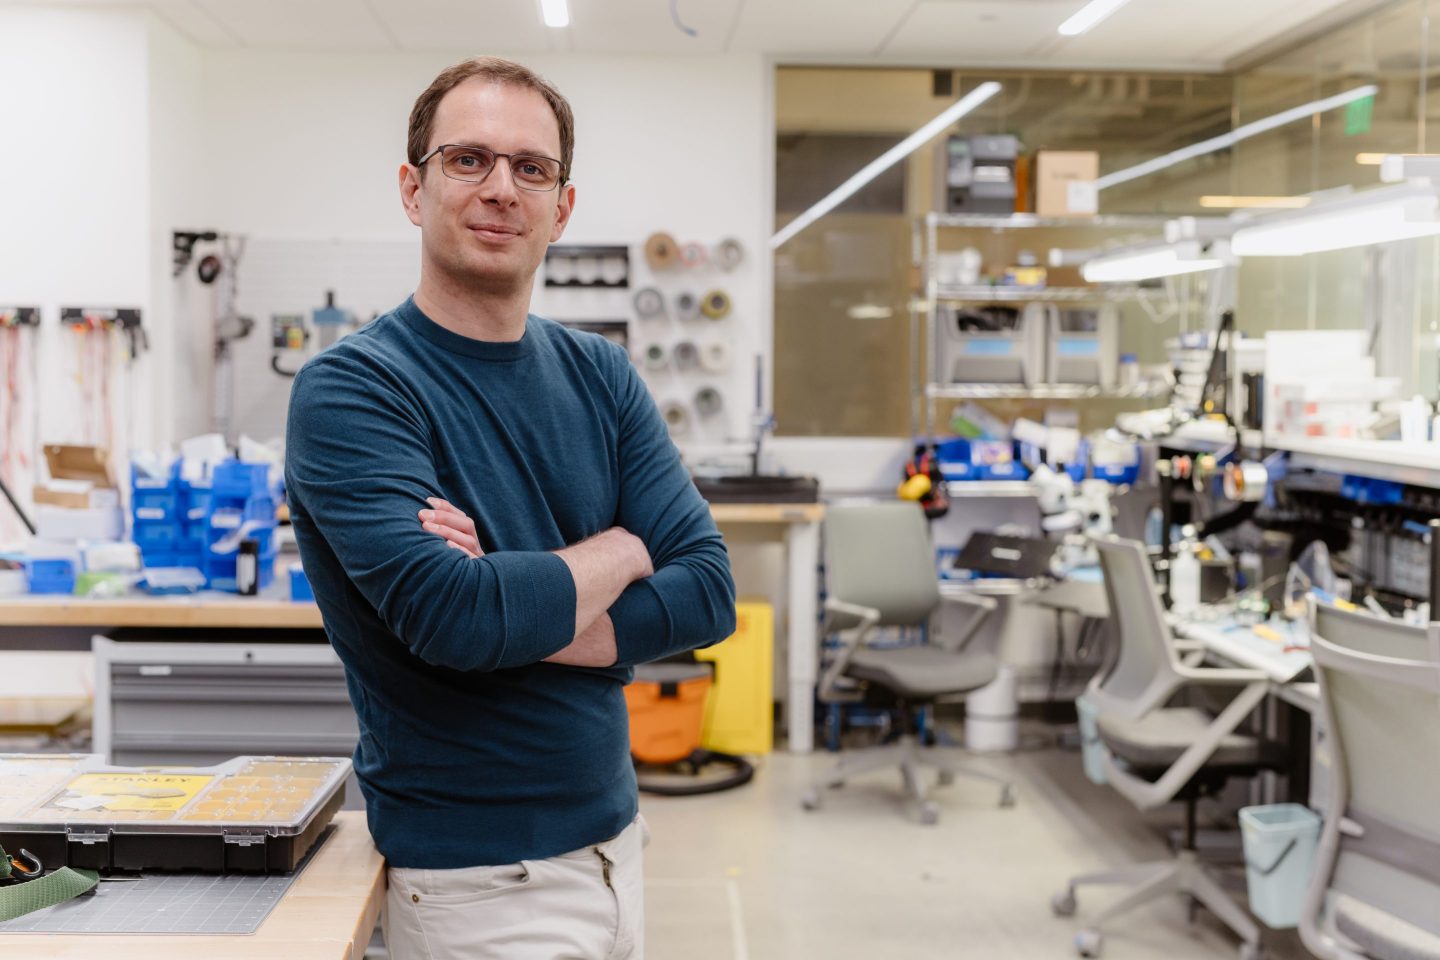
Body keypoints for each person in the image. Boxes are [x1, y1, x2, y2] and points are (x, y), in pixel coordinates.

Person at [284, 56, 737, 960]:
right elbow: (456, 618)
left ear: (561, 208)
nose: (501, 188)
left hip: (617, 844)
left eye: (531, 168)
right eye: (468, 160)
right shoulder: (355, 389)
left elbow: (710, 590)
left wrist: (511, 599)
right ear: (413, 188)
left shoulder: (600, 373)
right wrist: (626, 547)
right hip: (477, 881)